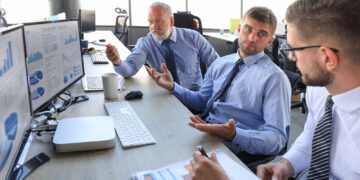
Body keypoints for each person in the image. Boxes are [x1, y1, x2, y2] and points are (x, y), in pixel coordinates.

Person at [189, 0, 360, 179]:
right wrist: (287, 164)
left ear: (327, 58)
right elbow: (311, 136)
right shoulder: (319, 90)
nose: (292, 58)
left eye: (293, 49)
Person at [146, 6, 291, 164]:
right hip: (204, 131)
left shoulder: (275, 78)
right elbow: (202, 101)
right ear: (239, 29)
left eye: (261, 34)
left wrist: (235, 134)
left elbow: (278, 140)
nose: (252, 38)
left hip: (232, 148)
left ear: (270, 40)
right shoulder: (220, 63)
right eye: (248, 29)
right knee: (153, 147)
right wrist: (173, 86)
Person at [106, 2, 219, 91]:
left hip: (196, 97)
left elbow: (217, 64)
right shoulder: (146, 43)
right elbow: (129, 69)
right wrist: (117, 61)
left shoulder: (193, 37)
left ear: (171, 21)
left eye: (158, 21)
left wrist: (209, 90)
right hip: (166, 97)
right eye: (150, 22)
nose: (154, 27)